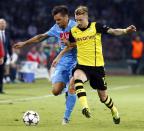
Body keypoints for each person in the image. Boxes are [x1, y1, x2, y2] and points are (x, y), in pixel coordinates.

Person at [62, 6, 136, 124]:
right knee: (77, 79)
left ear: (86, 17)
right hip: (82, 65)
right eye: (76, 20)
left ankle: (114, 110)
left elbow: (112, 31)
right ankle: (85, 107)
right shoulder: (73, 31)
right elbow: (72, 44)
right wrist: (67, 43)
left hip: (97, 67)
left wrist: (125, 31)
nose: (78, 22)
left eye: (80, 20)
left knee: (103, 98)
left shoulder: (95, 26)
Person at [13, 5, 77, 125]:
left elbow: (76, 44)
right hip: (63, 62)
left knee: (72, 87)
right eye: (55, 20)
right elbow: (40, 37)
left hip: (77, 61)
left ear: (66, 17)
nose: (57, 23)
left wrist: (60, 54)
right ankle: (67, 91)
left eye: (59, 20)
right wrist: (25, 43)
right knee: (55, 91)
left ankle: (66, 118)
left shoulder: (75, 27)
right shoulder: (56, 28)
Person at [0, 18, 12, 93]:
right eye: (1, 23)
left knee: (1, 73)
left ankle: (0, 89)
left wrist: (10, 55)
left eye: (4, 23)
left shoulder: (7, 34)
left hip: (4, 57)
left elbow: (8, 46)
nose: (3, 24)